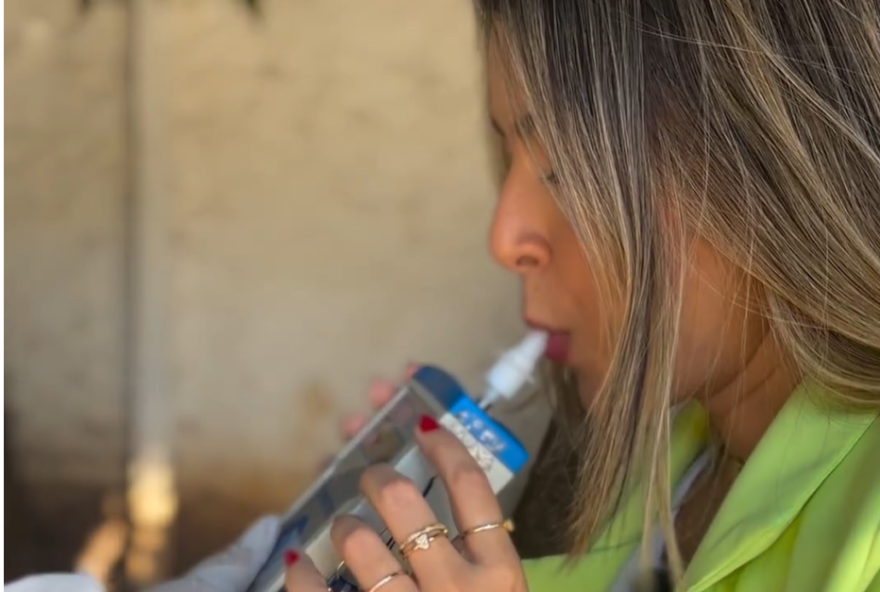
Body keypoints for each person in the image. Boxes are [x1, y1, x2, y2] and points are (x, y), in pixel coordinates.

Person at [7, 0, 879, 591]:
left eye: (564, 168)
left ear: (767, 165)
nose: (506, 238)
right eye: (510, 160)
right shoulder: (650, 453)